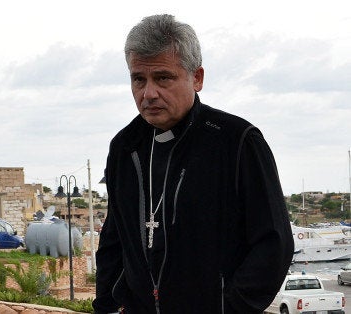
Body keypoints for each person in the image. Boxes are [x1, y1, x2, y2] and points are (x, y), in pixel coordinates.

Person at [92, 14, 294, 314]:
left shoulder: (237, 141)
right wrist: (107, 306)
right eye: (139, 79)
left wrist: (231, 308)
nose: (148, 93)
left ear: (196, 78)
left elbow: (273, 243)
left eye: (163, 78)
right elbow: (114, 240)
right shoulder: (125, 146)